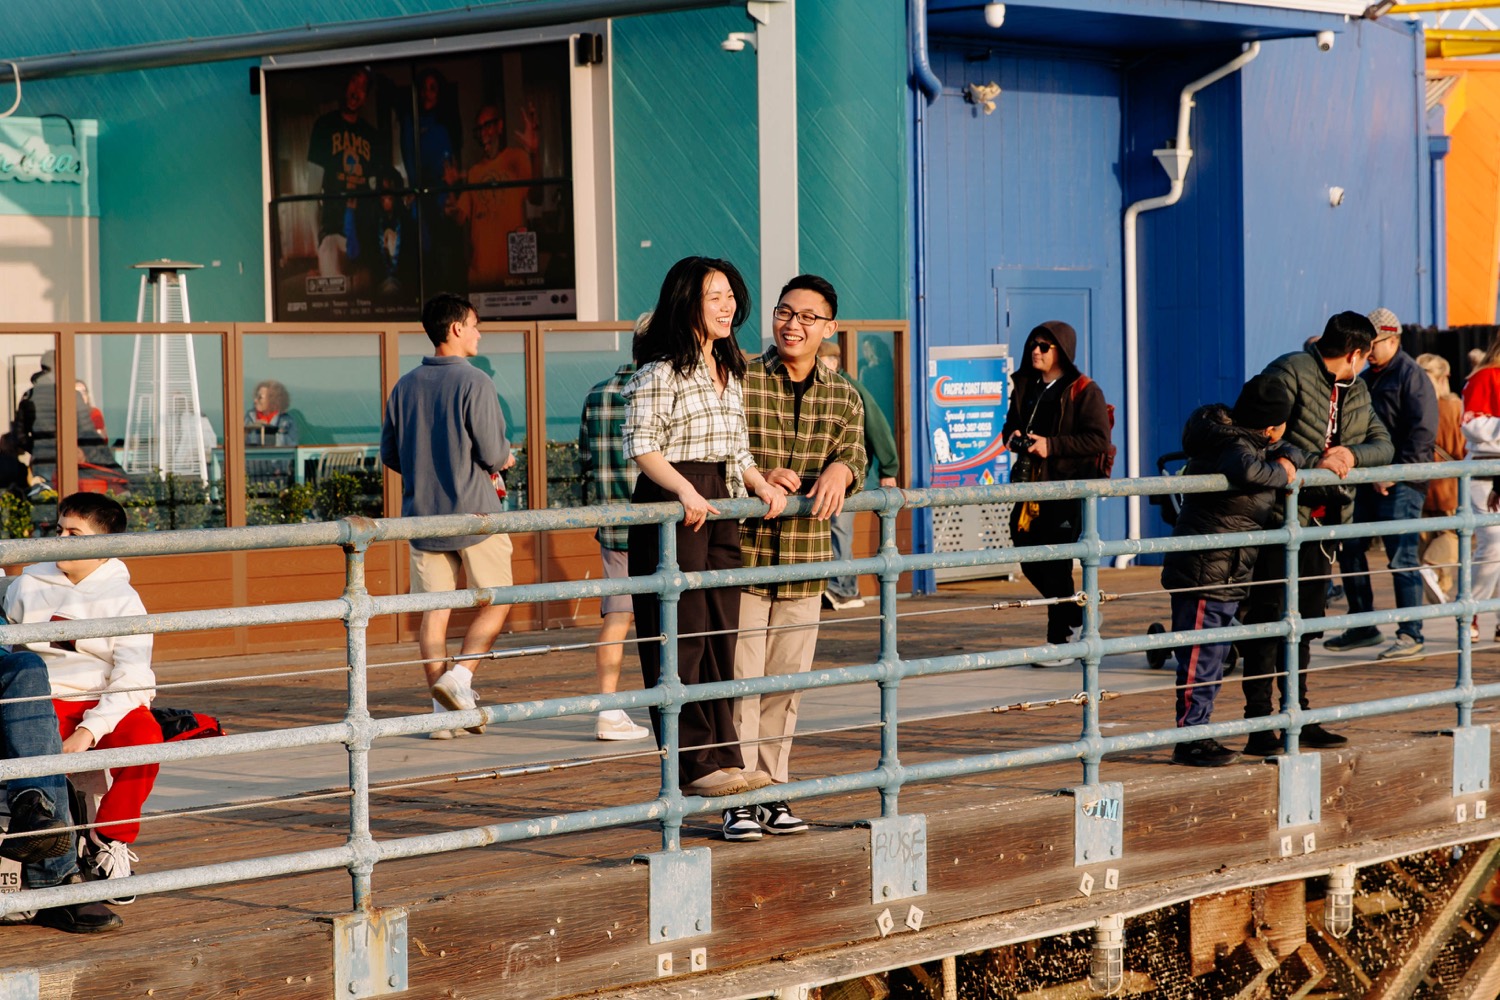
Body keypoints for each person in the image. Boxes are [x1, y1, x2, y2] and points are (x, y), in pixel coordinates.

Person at [622, 256, 787, 798]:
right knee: (682, 634)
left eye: (732, 296)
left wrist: (759, 482)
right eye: (715, 296)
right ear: (686, 301)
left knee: (720, 632)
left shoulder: (729, 368)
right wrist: (684, 489)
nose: (729, 306)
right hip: (677, 498)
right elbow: (643, 445)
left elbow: (736, 445)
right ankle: (694, 764)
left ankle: (727, 756)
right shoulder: (661, 370)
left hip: (722, 498)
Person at [726, 275, 866, 841]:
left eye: (809, 317)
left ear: (829, 329)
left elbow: (855, 446)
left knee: (785, 685)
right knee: (739, 683)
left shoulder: (843, 395)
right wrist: (756, 474)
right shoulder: (740, 380)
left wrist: (843, 468)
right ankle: (737, 798)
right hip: (742, 554)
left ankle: (774, 792)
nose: (793, 324)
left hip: (805, 561)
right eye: (786, 312)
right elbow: (722, 446)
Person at [1, 491, 161, 931]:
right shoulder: (29, 582)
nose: (61, 539)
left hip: (104, 701)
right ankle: (53, 856)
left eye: (75, 533)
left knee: (145, 740)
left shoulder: (124, 599)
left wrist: (90, 731)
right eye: (59, 530)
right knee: (32, 741)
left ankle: (109, 839)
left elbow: (131, 678)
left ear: (103, 544)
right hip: (43, 697)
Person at [1238, 312, 1393, 756]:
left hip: (1324, 526)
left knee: (1304, 626)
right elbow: (1260, 434)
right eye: (1363, 357)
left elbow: (1385, 444)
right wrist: (1314, 462)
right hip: (1280, 519)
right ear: (1354, 353)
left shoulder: (1358, 388)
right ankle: (1259, 724)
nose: (1363, 364)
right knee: (1268, 623)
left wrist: (1351, 454)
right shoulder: (1289, 372)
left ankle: (1297, 714)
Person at [380, 293, 517, 739]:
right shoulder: (475, 382)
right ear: (456, 329)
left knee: (433, 613)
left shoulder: (403, 386)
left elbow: (391, 456)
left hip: (422, 517)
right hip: (476, 514)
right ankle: (460, 678)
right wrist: (505, 459)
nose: (479, 333)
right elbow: (494, 453)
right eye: (475, 325)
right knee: (499, 600)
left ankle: (442, 715)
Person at [1161, 377, 1301, 767]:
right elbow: (1248, 471)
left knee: (1212, 655)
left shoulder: (1242, 439)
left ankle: (1198, 733)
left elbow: (1291, 451)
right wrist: (1284, 473)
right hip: (1208, 569)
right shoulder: (1235, 447)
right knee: (1200, 658)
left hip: (1223, 568)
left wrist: (1286, 458)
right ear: (1271, 426)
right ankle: (1190, 739)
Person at [1324, 308, 1437, 660]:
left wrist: (1396, 473)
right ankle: (1363, 625)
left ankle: (1410, 632)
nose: (1367, 350)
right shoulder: (1363, 376)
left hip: (1401, 483)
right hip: (1365, 479)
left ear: (1394, 340)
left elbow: (1422, 434)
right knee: (1350, 549)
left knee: (1401, 557)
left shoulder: (1411, 376)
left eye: (1373, 343)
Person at [1000, 321, 1112, 667]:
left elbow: (1098, 440)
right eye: (1033, 344)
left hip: (1067, 486)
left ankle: (1059, 640)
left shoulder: (1084, 390)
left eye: (1045, 346)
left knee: (1058, 559)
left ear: (1061, 351)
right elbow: (1008, 425)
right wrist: (1012, 435)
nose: (1036, 350)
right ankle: (1080, 614)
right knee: (1025, 547)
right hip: (1032, 486)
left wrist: (1052, 446)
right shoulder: (1028, 386)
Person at [577, 315, 651, 742]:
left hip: (615, 525)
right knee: (673, 618)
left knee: (617, 618)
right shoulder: (659, 390)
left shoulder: (597, 394)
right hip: (661, 528)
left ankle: (608, 708)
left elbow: (586, 460)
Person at [817, 339, 899, 611]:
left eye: (819, 360)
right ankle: (836, 586)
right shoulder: (821, 388)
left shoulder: (852, 390)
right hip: (822, 476)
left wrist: (889, 470)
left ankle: (846, 589)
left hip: (849, 476)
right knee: (830, 528)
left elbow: (879, 427)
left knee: (840, 527)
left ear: (832, 362)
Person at [448, 103, 539, 289]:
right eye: (479, 128)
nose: (483, 133)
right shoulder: (474, 172)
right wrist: (449, 193)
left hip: (513, 275)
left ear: (499, 126)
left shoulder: (517, 158)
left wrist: (535, 153)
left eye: (488, 125)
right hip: (481, 276)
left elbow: (537, 197)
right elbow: (460, 217)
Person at [307, 65, 378, 279]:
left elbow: (374, 191)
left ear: (366, 97)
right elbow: (311, 192)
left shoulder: (370, 135)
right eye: (353, 82)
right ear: (344, 85)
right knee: (336, 293)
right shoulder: (324, 126)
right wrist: (317, 245)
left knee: (365, 291)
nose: (356, 91)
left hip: (363, 233)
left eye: (363, 87)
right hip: (333, 233)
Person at [1414, 353, 1464, 603]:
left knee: (1426, 535)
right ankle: (1432, 569)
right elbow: (1462, 446)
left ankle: (1438, 589)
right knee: (1451, 534)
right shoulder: (1452, 406)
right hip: (1447, 483)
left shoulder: (1414, 406)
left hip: (1420, 481)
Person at [1461, 336, 1500, 641]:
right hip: (1486, 469)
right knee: (1493, 544)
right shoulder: (1485, 377)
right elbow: (1471, 425)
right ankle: (1470, 611)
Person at [244, 380, 299, 448]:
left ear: (272, 400)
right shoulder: (248, 418)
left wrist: (269, 430)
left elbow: (292, 447)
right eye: (256, 397)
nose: (255, 400)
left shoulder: (286, 422)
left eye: (260, 398)